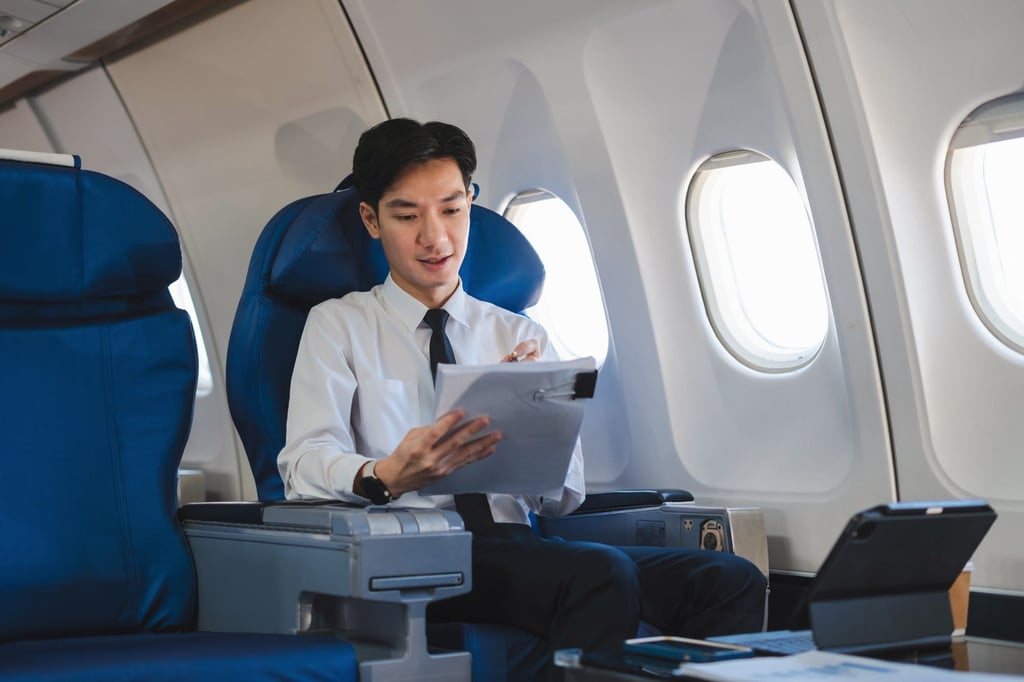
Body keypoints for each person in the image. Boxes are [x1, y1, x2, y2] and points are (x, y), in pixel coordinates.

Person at [278, 118, 767, 678]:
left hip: (514, 541)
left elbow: (564, 499)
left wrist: (533, 431)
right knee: (597, 573)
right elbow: (302, 466)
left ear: (471, 203)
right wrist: (387, 473)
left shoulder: (520, 334)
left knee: (729, 579)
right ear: (371, 219)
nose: (434, 237)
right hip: (411, 551)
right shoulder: (339, 325)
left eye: (451, 209)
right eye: (407, 215)